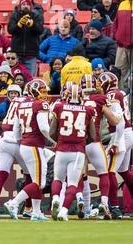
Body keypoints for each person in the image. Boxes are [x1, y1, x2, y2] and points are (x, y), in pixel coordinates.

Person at [5, 79, 56, 220]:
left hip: (26, 145)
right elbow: (44, 127)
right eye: (43, 91)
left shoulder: (21, 105)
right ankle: (13, 203)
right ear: (36, 91)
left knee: (36, 180)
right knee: (40, 182)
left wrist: (23, 142)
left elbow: (16, 130)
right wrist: (54, 140)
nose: (45, 94)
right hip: (34, 146)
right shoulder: (40, 104)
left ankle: (36, 212)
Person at [49, 84, 96, 221]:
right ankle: (63, 211)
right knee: (73, 184)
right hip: (78, 152)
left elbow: (52, 132)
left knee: (58, 179)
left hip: (62, 149)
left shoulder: (59, 107)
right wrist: (81, 143)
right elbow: (92, 136)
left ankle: (56, 198)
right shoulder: (88, 110)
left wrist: (60, 140)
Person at [79, 73, 121, 218]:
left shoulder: (76, 99)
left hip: (79, 144)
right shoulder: (100, 99)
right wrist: (120, 115)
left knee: (81, 177)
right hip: (95, 142)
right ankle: (104, 202)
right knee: (104, 173)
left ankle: (85, 208)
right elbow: (114, 121)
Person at [0, 85, 32, 218]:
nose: (13, 95)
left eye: (15, 93)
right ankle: (28, 207)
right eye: (11, 93)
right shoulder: (26, 103)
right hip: (18, 140)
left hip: (5, 139)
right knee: (30, 175)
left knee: (1, 174)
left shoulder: (11, 104)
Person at [99, 72, 133, 219]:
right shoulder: (120, 93)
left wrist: (116, 143)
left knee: (108, 171)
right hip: (128, 133)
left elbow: (120, 121)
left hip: (120, 134)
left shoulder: (111, 96)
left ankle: (115, 207)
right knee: (124, 171)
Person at [7, 0, 44, 77]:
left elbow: (40, 30)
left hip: (31, 55)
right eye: (23, 4)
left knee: (30, 79)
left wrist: (32, 24)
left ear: (31, 6)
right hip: (17, 55)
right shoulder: (15, 15)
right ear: (20, 6)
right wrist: (18, 25)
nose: (25, 6)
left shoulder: (36, 16)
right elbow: (10, 30)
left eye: (27, 4)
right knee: (15, 78)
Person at [113, 0, 133, 89]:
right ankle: (120, 96)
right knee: (119, 73)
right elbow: (116, 23)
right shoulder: (122, 4)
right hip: (121, 46)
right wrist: (117, 37)